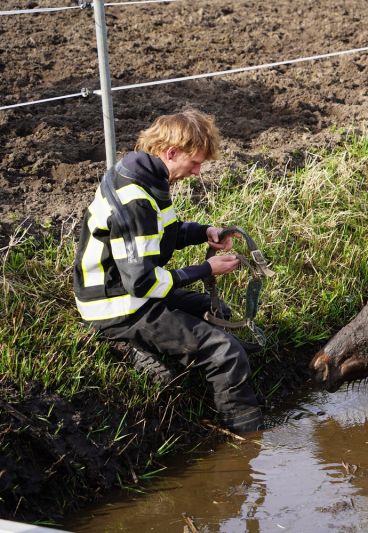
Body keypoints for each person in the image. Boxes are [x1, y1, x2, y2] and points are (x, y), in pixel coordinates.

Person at [72, 109, 262, 433]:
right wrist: (205, 269)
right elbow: (142, 283)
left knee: (217, 312)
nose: (197, 171)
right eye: (195, 162)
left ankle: (182, 372)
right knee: (226, 353)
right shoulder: (136, 200)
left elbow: (165, 233)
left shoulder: (146, 177)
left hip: (130, 292)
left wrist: (205, 232)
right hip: (117, 307)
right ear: (171, 152)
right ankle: (248, 439)